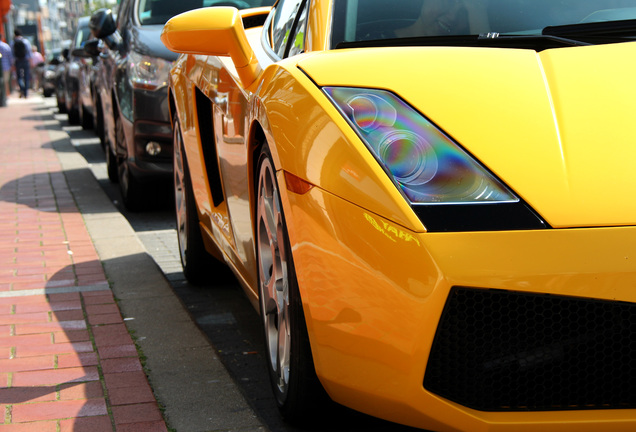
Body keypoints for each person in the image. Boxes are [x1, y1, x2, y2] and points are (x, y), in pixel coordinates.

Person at [11, 29, 32, 98]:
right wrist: (30, 61)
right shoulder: (25, 41)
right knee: (26, 76)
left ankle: (22, 89)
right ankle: (26, 92)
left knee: (19, 77)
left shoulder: (13, 42)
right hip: (25, 60)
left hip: (17, 61)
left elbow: (12, 54)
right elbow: (29, 52)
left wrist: (12, 63)